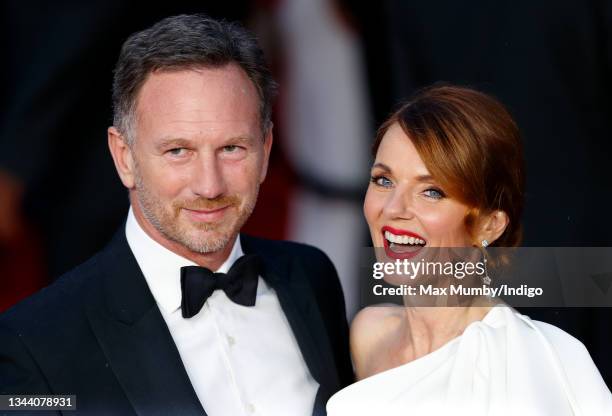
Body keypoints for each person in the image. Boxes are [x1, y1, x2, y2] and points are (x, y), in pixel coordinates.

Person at [0, 14, 353, 415]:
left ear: (267, 148)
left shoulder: (311, 277)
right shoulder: (34, 344)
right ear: (124, 157)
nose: (209, 186)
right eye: (178, 151)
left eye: (232, 148)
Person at [326, 85, 612, 415]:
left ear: (489, 225)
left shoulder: (544, 362)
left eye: (431, 192)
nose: (392, 208)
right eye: (383, 180)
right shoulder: (367, 334)